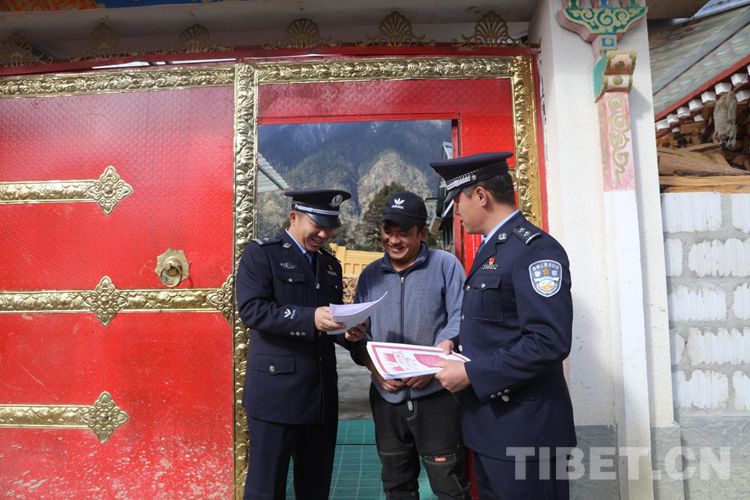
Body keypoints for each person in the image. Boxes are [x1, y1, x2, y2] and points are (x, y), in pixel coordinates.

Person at [429, 152, 576, 500]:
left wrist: (471, 373)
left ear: (481, 195)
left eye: (458, 200)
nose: (456, 211)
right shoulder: (493, 248)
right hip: (491, 429)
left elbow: (549, 340)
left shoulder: (534, 250)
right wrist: (455, 343)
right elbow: (496, 325)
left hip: (527, 433)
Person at [235, 188, 366, 500]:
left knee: (315, 488)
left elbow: (331, 320)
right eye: (317, 225)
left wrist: (349, 332)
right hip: (276, 396)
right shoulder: (262, 254)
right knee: (266, 490)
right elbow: (253, 310)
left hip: (320, 398)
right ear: (293, 217)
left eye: (330, 227)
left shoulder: (330, 265)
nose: (324, 234)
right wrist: (309, 318)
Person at [354, 191, 472, 500]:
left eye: (404, 233)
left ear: (422, 233)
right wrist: (375, 369)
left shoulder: (445, 266)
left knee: (449, 485)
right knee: (397, 485)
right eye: (388, 231)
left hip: (437, 398)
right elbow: (360, 335)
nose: (393, 240)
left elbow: (461, 317)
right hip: (386, 398)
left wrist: (434, 365)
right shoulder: (369, 276)